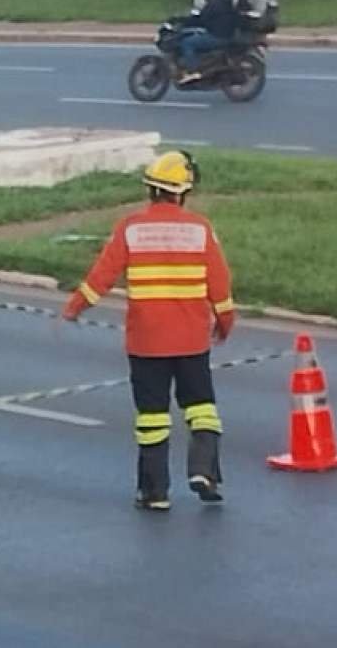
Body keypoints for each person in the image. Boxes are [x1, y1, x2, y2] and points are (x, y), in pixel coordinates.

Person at [58, 148, 236, 511]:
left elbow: (102, 276)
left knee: (152, 417)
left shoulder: (131, 228)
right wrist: (224, 323)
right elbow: (219, 284)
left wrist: (75, 307)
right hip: (190, 340)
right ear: (182, 191)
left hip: (146, 342)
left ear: (150, 190)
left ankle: (154, 493)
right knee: (202, 408)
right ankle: (205, 472)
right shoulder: (200, 229)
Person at [173, 0, 238, 76]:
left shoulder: (213, 5)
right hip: (227, 35)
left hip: (217, 37)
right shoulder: (227, 3)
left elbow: (202, 19)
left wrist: (184, 23)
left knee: (187, 42)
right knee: (198, 36)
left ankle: (193, 69)